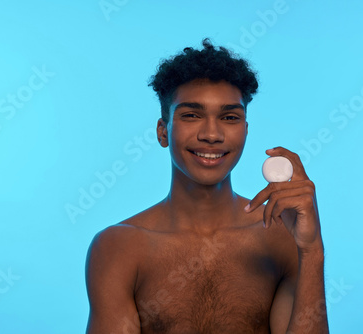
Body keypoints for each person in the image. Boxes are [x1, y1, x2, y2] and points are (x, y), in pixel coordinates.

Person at [85, 38, 329, 334]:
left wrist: (312, 250)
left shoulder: (280, 238)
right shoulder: (119, 248)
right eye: (191, 115)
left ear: (245, 131)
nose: (212, 134)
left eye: (229, 117)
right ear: (163, 132)